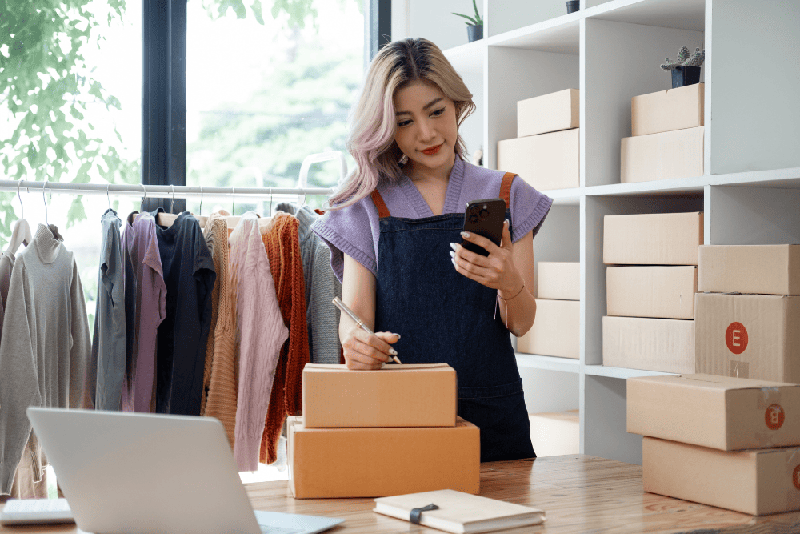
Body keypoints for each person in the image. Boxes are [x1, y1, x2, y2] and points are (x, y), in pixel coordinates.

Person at [311, 37, 552, 462]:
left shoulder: (508, 192)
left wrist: (508, 283)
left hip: (494, 413)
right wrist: (357, 345)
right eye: (404, 121)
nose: (426, 133)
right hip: (401, 411)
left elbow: (522, 324)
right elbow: (355, 319)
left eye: (436, 111)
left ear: (458, 105)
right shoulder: (369, 204)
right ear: (386, 129)